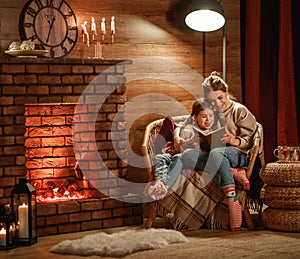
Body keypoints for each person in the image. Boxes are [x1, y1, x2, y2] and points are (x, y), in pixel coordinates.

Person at [181, 71, 257, 232]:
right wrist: (180, 139)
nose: (216, 104)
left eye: (220, 98)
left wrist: (233, 140)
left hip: (238, 154)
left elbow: (251, 140)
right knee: (187, 156)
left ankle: (232, 201)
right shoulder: (207, 110)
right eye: (211, 100)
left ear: (226, 92)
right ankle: (231, 171)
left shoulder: (239, 110)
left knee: (217, 154)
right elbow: (185, 124)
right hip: (215, 155)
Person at [149, 98, 215, 200]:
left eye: (211, 116)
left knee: (178, 158)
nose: (208, 120)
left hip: (197, 159)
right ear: (195, 117)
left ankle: (165, 186)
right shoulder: (189, 128)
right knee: (159, 158)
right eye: (204, 116)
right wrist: (190, 140)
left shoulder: (214, 130)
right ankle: (160, 183)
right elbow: (179, 146)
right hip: (181, 154)